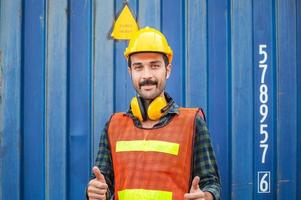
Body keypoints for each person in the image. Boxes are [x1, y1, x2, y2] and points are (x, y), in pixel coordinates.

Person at [87, 27, 221, 200]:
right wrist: (96, 192)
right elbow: (103, 184)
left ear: (168, 70)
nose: (147, 75)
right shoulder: (113, 126)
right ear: (130, 72)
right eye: (138, 67)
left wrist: (207, 196)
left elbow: (211, 183)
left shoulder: (192, 123)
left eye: (154, 66)